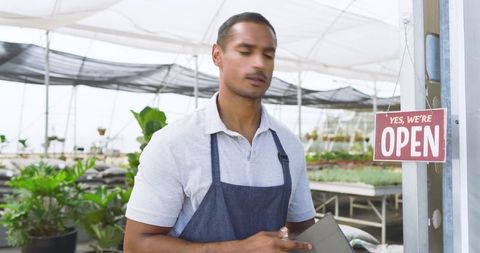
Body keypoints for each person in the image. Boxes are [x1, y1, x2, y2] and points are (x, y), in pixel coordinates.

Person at [124, 12, 316, 253]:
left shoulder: (289, 145)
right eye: (245, 51)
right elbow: (136, 244)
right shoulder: (174, 143)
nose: (259, 63)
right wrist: (238, 249)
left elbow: (303, 231)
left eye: (268, 54)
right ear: (217, 55)